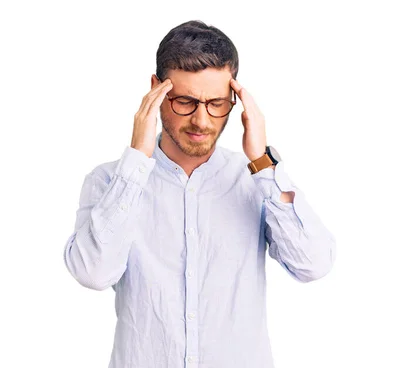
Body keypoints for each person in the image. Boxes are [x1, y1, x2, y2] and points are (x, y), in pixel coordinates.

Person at [62, 20, 336, 368]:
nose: (202, 121)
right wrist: (137, 160)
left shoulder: (255, 180)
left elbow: (313, 265)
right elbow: (93, 273)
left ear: (236, 100)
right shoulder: (109, 181)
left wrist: (263, 164)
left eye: (217, 103)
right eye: (185, 102)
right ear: (156, 90)